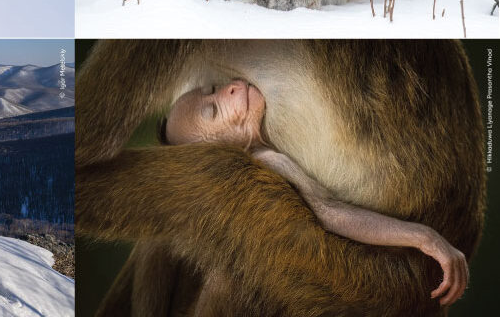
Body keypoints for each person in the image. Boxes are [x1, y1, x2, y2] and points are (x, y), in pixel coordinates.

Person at [160, 80, 468, 306]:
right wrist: (424, 238)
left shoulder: (261, 152)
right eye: (213, 110)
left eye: (212, 88)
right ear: (222, 155)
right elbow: (331, 214)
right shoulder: (266, 163)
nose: (227, 90)